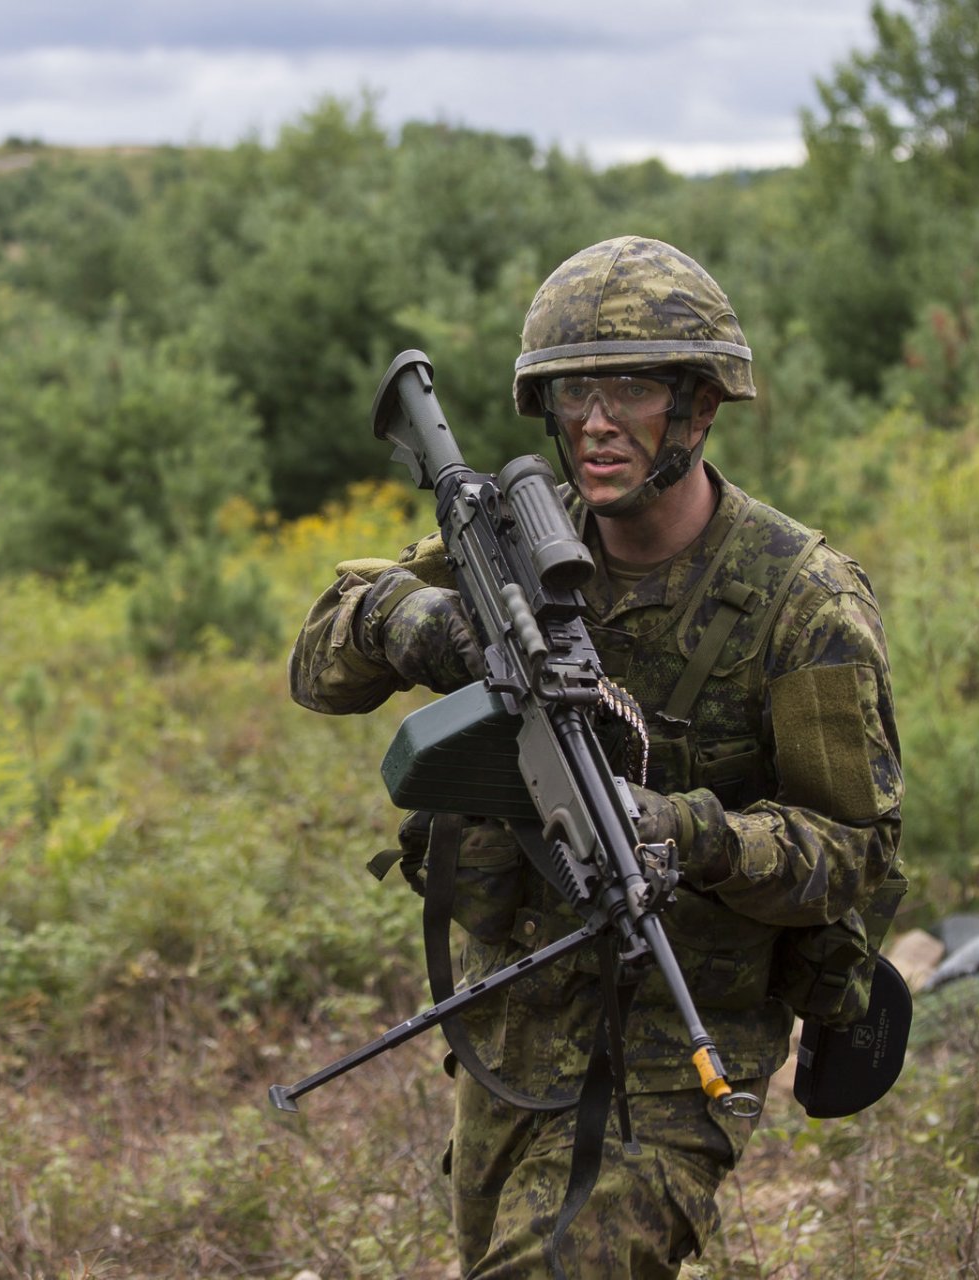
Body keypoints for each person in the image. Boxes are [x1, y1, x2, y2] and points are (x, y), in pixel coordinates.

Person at [288, 235, 903, 1278]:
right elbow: (321, 660)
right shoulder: (515, 544)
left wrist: (685, 829)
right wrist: (436, 628)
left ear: (700, 407)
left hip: (676, 1038)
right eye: (572, 394)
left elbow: (855, 853)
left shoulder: (803, 602)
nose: (597, 423)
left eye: (630, 389)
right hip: (511, 1022)